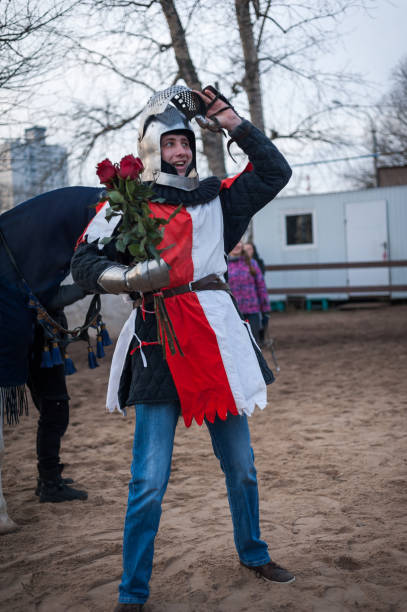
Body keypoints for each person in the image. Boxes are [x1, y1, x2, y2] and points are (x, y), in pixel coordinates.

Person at [71, 84, 294, 611]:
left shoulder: (221, 199)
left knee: (241, 465)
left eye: (186, 142)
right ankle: (133, 592)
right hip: (157, 342)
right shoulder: (124, 204)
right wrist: (127, 278)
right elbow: (83, 263)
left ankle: (253, 552)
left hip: (215, 342)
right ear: (152, 148)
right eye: (170, 143)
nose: (181, 151)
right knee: (148, 481)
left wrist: (231, 121)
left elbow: (275, 172)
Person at [0, 186, 103, 512]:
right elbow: (49, 299)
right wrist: (89, 285)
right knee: (55, 410)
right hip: (37, 344)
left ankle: (50, 476)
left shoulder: (38, 263)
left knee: (54, 410)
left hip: (42, 341)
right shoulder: (30, 269)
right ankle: (49, 482)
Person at [228, 241, 271, 345]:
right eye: (235, 242)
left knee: (253, 344)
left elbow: (261, 286)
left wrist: (265, 308)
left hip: (252, 312)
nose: (237, 245)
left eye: (239, 242)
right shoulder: (223, 265)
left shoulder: (252, 263)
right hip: (233, 312)